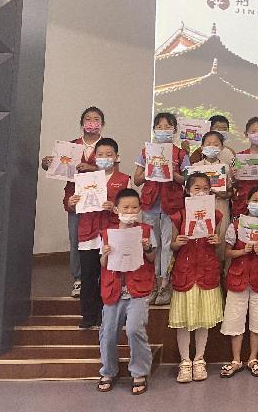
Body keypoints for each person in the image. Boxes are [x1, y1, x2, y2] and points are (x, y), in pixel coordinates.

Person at [65, 137, 129, 329]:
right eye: (100, 154)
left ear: (116, 157)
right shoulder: (84, 179)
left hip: (111, 234)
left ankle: (106, 315)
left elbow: (131, 209)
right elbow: (72, 205)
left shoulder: (123, 180)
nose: (104, 158)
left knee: (109, 276)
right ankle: (88, 315)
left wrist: (114, 208)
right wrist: (72, 202)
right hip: (88, 234)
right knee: (88, 276)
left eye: (109, 154)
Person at [41, 106, 104, 297]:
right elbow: (58, 168)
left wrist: (91, 168)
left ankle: (99, 278)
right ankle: (78, 279)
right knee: (76, 238)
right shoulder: (71, 146)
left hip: (98, 200)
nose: (92, 122)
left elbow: (112, 171)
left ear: (102, 123)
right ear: (82, 123)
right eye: (88, 119)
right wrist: (48, 164)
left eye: (96, 119)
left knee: (99, 239)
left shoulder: (106, 146)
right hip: (75, 199)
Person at [97, 188, 155, 395]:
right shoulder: (107, 233)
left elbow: (152, 258)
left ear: (140, 209)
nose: (130, 211)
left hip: (137, 289)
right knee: (108, 332)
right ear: (116, 209)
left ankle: (139, 372)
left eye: (134, 207)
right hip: (113, 289)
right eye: (126, 207)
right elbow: (102, 263)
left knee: (134, 329)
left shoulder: (146, 230)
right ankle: (108, 371)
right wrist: (105, 253)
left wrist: (147, 248)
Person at [169, 172, 224, 384]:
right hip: (185, 271)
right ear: (188, 191)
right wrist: (178, 243)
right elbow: (172, 245)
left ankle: (199, 359)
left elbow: (218, 244)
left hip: (206, 271)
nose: (201, 192)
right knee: (183, 320)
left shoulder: (216, 215)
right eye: (196, 188)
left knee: (203, 319)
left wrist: (216, 240)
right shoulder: (179, 215)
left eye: (205, 188)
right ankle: (185, 361)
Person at [220, 186, 258, 378]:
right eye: (255, 200)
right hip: (238, 277)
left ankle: (253, 358)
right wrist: (242, 251)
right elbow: (227, 252)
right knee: (235, 317)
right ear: (247, 201)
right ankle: (236, 359)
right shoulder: (236, 224)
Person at [133, 112, 189, 306]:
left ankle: (165, 284)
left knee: (167, 245)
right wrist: (150, 170)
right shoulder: (146, 151)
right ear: (154, 130)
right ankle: (153, 285)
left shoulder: (180, 154)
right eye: (159, 127)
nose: (163, 130)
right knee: (152, 245)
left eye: (168, 127)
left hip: (172, 206)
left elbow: (187, 180)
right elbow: (136, 179)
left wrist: (172, 173)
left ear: (174, 130)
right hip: (150, 205)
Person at [191, 130, 234, 259]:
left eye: (216, 144)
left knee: (220, 240)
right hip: (200, 208)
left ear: (221, 147)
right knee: (201, 240)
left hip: (220, 205)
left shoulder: (226, 168)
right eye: (208, 144)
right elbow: (188, 192)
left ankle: (219, 269)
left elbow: (231, 192)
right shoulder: (195, 167)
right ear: (202, 147)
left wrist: (224, 194)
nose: (212, 147)